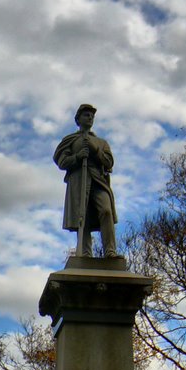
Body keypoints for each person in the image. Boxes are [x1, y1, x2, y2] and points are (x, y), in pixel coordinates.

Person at [53, 103, 117, 258]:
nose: (90, 118)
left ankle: (110, 251)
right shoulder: (71, 140)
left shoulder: (101, 143)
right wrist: (77, 156)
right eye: (86, 115)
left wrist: (95, 151)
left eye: (92, 116)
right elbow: (61, 162)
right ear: (78, 119)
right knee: (83, 215)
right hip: (79, 182)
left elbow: (109, 162)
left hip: (98, 181)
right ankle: (85, 252)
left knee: (106, 211)